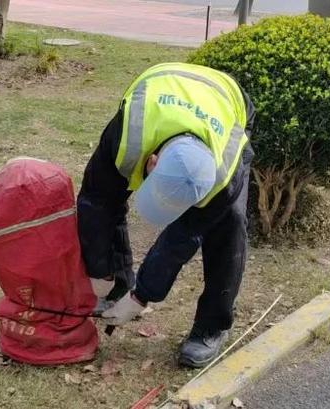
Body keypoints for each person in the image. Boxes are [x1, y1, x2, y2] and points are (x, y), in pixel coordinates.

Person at [77, 62, 255, 368]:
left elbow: (180, 239)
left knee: (230, 226)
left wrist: (142, 297)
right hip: (161, 85)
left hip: (229, 100)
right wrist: (100, 273)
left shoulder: (223, 176)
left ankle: (212, 326)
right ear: (153, 161)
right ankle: (115, 281)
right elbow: (96, 200)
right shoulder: (127, 136)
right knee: (102, 199)